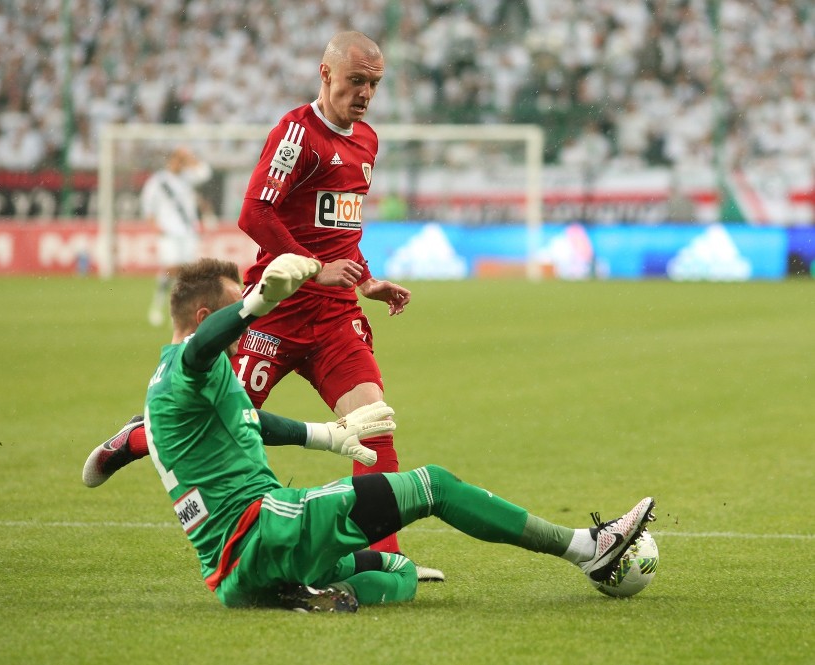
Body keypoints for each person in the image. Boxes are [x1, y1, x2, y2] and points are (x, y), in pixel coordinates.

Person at [83, 31, 445, 581]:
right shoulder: (296, 133)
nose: (365, 93)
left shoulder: (367, 142)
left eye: (374, 83)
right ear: (325, 75)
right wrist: (310, 267)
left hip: (333, 320)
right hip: (272, 313)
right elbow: (254, 214)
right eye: (356, 82)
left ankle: (383, 555)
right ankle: (136, 435)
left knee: (374, 427)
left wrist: (365, 281)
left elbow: (341, 230)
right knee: (220, 420)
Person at [124, 253, 656, 612]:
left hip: (237, 578)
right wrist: (254, 304)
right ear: (204, 316)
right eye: (232, 315)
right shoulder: (194, 363)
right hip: (268, 530)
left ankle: (307, 593)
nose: (246, 335)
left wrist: (325, 435)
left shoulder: (168, 386)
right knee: (436, 486)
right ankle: (589, 548)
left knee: (399, 572)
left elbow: (247, 421)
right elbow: (205, 343)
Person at [140, 146, 213, 326]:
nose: (179, 164)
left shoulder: (188, 178)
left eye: (181, 161)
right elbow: (148, 207)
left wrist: (190, 158)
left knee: (186, 273)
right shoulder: (158, 181)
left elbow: (206, 173)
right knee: (170, 268)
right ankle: (157, 306)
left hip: (188, 232)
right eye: (177, 160)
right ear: (169, 161)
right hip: (169, 233)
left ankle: (179, 312)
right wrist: (155, 226)